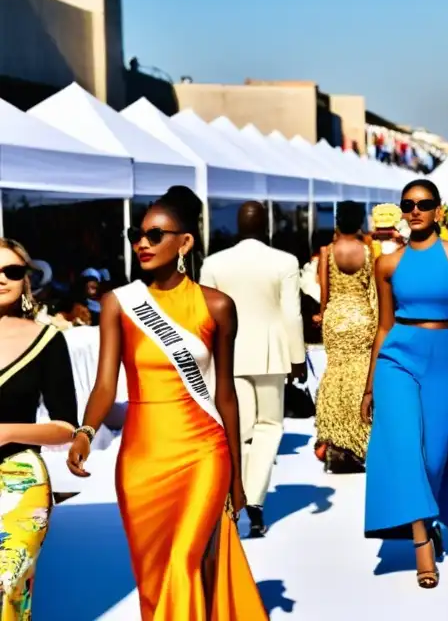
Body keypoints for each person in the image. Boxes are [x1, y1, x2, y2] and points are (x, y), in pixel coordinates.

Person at [67, 186, 267, 620]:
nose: (142, 242)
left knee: (183, 562)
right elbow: (105, 385)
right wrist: (85, 432)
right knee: (154, 579)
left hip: (203, 453)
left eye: (155, 235)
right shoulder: (118, 303)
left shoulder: (217, 306)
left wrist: (236, 475)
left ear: (185, 242)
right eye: (136, 234)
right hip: (142, 459)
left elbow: (225, 395)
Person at [361, 180, 448, 589]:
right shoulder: (387, 263)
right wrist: (369, 386)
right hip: (396, 357)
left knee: (435, 455)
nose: (415, 210)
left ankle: (430, 521)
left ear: (439, 210)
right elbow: (383, 326)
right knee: (405, 449)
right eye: (408, 204)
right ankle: (421, 546)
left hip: (443, 356)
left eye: (424, 204)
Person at [199, 201, 306, 538]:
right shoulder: (285, 261)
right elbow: (292, 313)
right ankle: (255, 500)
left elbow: (203, 312)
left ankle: (238, 497)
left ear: (236, 226)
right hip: (271, 352)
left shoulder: (214, 263)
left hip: (229, 352)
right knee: (270, 427)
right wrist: (297, 356)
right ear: (266, 226)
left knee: (240, 431)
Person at [0, 239, 78, 618]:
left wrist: (7, 432)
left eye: (12, 272)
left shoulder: (47, 340)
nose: (2, 279)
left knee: (6, 584)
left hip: (18, 479)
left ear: (25, 280)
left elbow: (66, 426)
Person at [314, 201, 377, 472]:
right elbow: (371, 289)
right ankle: (357, 440)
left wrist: (323, 315)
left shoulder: (327, 251)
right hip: (361, 316)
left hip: (336, 315)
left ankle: (335, 441)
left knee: (334, 375)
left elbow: (324, 292)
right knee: (360, 378)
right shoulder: (367, 251)